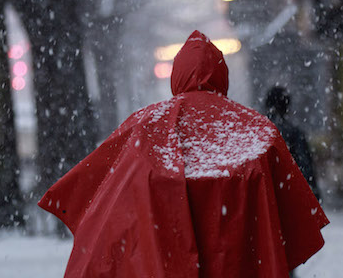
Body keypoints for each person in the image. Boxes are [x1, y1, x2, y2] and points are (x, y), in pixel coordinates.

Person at [39, 30, 328, 277]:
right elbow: (292, 222)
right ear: (222, 77)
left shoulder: (143, 129)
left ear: (176, 77)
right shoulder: (258, 134)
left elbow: (108, 198)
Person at [265, 86, 319, 200]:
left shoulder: (258, 133)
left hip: (266, 199)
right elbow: (305, 167)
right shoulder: (295, 133)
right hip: (289, 197)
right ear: (286, 107)